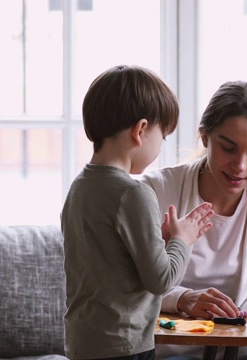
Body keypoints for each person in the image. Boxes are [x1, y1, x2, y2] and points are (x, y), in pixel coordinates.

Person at [141, 80, 247, 360]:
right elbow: (126, 286)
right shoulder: (156, 190)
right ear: (205, 138)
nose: (240, 166)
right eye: (229, 148)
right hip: (167, 350)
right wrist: (183, 299)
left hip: (237, 353)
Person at [62, 65, 215, 359]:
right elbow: (161, 279)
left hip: (83, 341)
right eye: (163, 136)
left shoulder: (79, 187)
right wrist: (182, 240)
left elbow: (106, 260)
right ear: (141, 130)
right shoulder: (133, 192)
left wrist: (157, 240)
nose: (161, 146)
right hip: (124, 344)